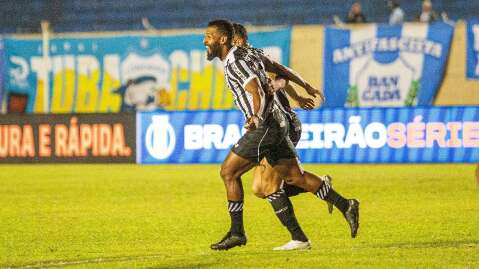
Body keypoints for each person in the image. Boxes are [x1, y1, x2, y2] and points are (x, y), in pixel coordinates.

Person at [203, 19, 360, 251]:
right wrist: (305, 86)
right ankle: (345, 205)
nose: (204, 41)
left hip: (264, 126)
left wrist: (255, 116)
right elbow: (280, 70)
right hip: (277, 124)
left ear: (223, 39)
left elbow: (256, 89)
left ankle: (237, 232)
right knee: (293, 178)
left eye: (208, 36)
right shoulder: (251, 54)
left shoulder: (235, 62)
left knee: (229, 172)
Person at [232, 22, 333, 251]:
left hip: (280, 126)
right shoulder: (244, 59)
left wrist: (280, 88)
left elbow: (281, 76)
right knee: (260, 188)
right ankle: (321, 188)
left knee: (266, 186)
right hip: (274, 126)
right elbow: (281, 78)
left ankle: (300, 238)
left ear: (235, 40)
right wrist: (295, 94)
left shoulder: (250, 57)